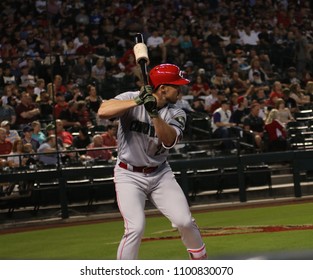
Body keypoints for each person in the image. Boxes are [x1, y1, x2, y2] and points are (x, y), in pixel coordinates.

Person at [98, 63, 207, 260]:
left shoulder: (177, 112)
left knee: (184, 221)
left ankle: (201, 263)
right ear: (163, 88)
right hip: (128, 174)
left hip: (160, 173)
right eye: (176, 85)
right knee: (135, 227)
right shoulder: (130, 97)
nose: (180, 90)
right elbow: (103, 111)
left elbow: (168, 140)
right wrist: (137, 101)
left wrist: (153, 113)